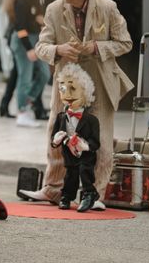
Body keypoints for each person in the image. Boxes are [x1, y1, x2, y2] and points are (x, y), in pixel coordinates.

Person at [22, 0, 134, 210]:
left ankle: (95, 194)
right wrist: (58, 50)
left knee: (101, 139)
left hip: (101, 79)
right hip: (67, 80)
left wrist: (95, 47)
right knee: (57, 132)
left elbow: (125, 42)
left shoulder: (107, 7)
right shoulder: (53, 9)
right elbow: (41, 47)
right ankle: (53, 190)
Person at [50, 63, 101, 212]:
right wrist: (56, 140)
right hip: (69, 155)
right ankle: (66, 196)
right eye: (63, 89)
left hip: (85, 156)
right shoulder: (60, 117)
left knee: (85, 173)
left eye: (73, 88)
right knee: (70, 176)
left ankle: (89, 193)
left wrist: (85, 145)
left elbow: (95, 142)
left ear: (85, 91)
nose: (68, 95)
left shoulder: (92, 120)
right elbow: (54, 138)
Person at [5, 0, 50, 127]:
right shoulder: (21, 0)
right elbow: (19, 26)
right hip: (23, 42)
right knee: (25, 76)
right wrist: (28, 48)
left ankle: (27, 102)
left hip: (35, 40)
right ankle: (22, 111)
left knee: (44, 73)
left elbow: (32, 21)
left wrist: (39, 20)